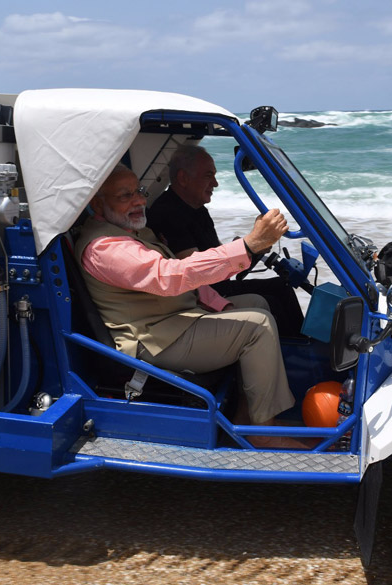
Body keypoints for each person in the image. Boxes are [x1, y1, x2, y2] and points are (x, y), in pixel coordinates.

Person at [73, 164, 307, 449]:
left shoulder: (128, 231)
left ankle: (248, 413)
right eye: (125, 196)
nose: (139, 200)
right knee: (256, 326)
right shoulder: (105, 247)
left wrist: (221, 304)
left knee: (256, 303)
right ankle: (262, 431)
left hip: (171, 320)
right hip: (152, 338)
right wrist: (247, 246)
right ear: (97, 202)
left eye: (140, 191)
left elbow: (184, 283)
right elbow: (170, 276)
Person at [146, 144, 305, 337]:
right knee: (273, 298)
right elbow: (196, 272)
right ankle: (294, 355)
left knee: (282, 287)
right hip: (199, 295)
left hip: (217, 285)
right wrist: (250, 245)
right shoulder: (168, 212)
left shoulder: (197, 210)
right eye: (208, 175)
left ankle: (301, 348)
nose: (215, 183)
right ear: (183, 178)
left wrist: (256, 247)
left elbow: (218, 263)